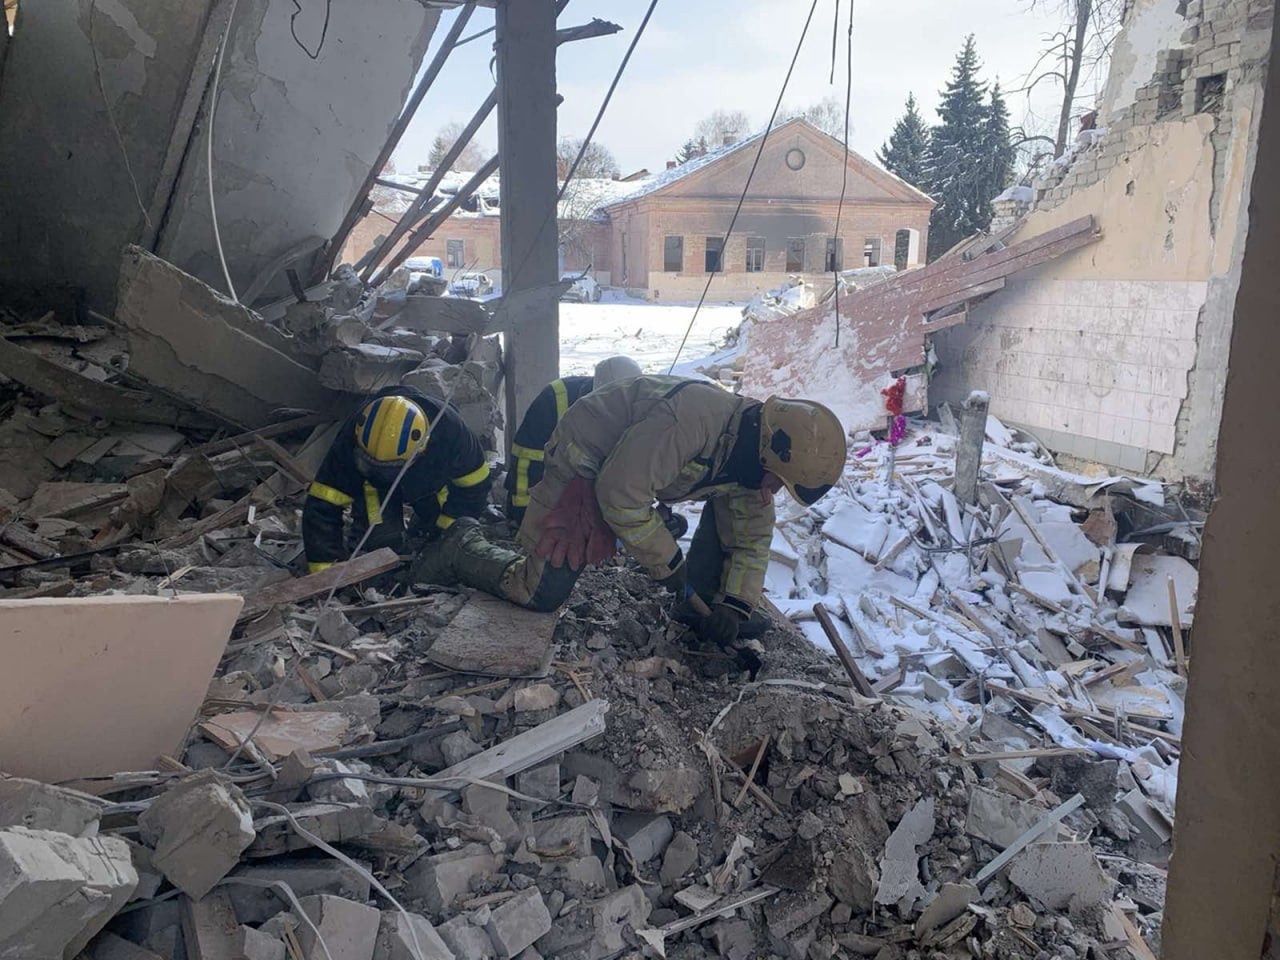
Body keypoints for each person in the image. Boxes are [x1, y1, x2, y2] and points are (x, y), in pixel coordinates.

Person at [413, 375, 846, 650]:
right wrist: (669, 566)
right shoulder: (692, 419)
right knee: (539, 593)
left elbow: (752, 537)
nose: (773, 491)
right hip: (589, 456)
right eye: (777, 480)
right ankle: (461, 546)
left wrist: (736, 606)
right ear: (770, 452)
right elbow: (620, 494)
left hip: (630, 469)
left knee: (735, 514)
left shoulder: (755, 455)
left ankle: (702, 611)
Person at [302, 386, 491, 572]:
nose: (387, 475)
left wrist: (443, 535)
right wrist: (324, 573)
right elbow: (323, 504)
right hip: (373, 487)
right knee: (382, 542)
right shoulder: (351, 435)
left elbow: (474, 488)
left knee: (438, 535)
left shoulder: (452, 433)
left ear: (422, 448)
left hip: (429, 482)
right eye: (372, 463)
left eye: (390, 469)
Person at [505, 356, 642, 525]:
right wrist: (524, 514)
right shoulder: (555, 398)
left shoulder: (643, 407)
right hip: (551, 491)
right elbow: (527, 459)